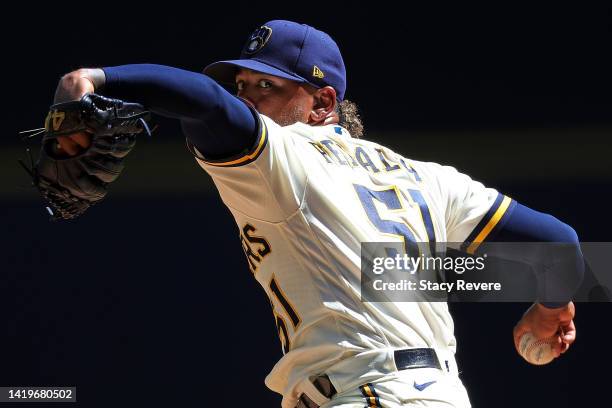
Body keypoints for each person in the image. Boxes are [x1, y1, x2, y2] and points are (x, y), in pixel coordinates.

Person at [49, 20, 582, 408]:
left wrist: (94, 78)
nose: (249, 100)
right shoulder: (426, 177)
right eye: (244, 87)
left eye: (267, 87)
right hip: (432, 393)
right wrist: (551, 307)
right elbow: (560, 244)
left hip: (367, 395)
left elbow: (205, 102)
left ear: (323, 103)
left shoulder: (286, 157)